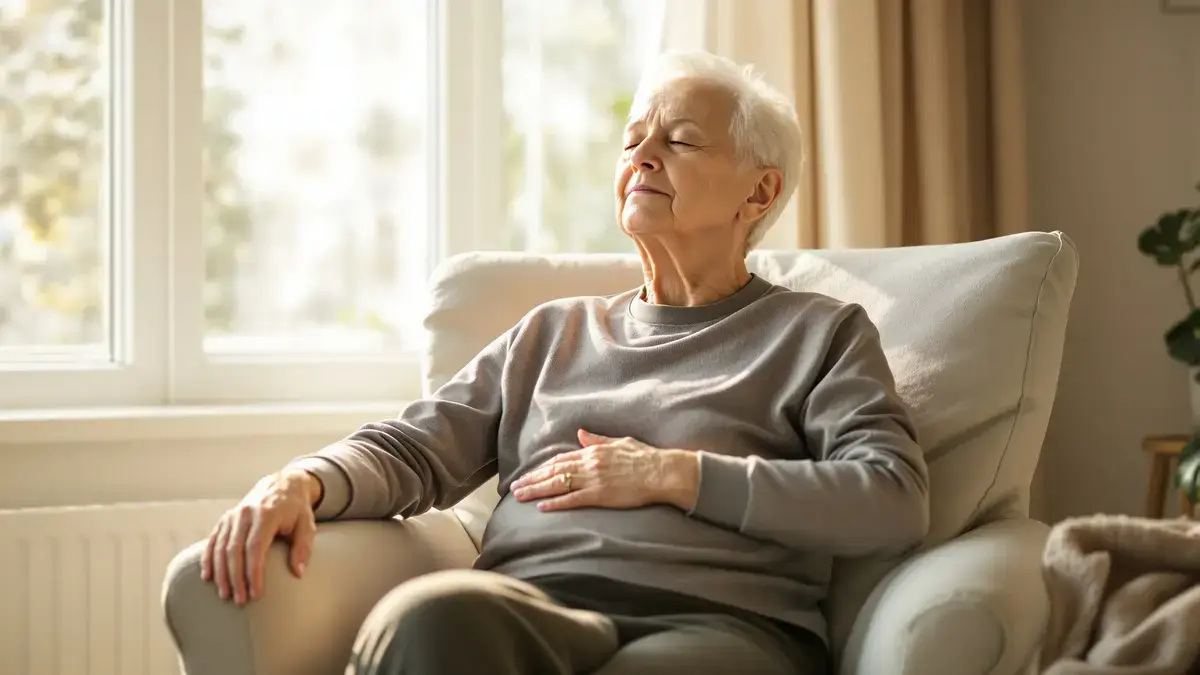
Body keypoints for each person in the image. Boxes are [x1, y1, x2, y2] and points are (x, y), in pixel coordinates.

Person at [198, 50, 930, 675]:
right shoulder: (550, 334)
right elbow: (413, 449)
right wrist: (300, 480)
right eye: (632, 138)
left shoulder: (817, 334)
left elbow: (891, 498)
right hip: (533, 606)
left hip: (720, 626)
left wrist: (674, 474)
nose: (642, 156)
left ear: (760, 190)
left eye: (678, 140)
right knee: (428, 618)